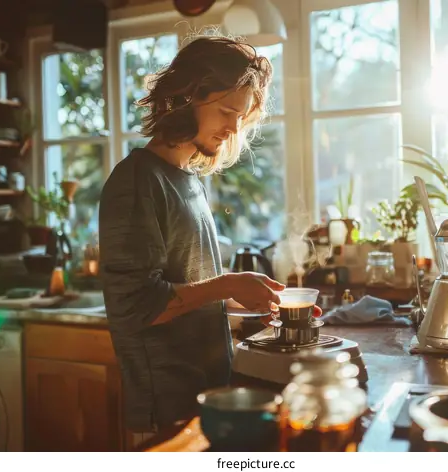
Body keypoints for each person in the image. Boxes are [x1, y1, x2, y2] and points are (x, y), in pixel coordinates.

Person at [98, 34, 288, 437]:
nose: (233, 127)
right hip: (164, 407)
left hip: (204, 394)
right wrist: (226, 284)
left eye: (241, 116)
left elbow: (188, 289)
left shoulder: (189, 180)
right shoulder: (136, 181)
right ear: (185, 98)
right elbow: (137, 305)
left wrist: (248, 302)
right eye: (224, 111)